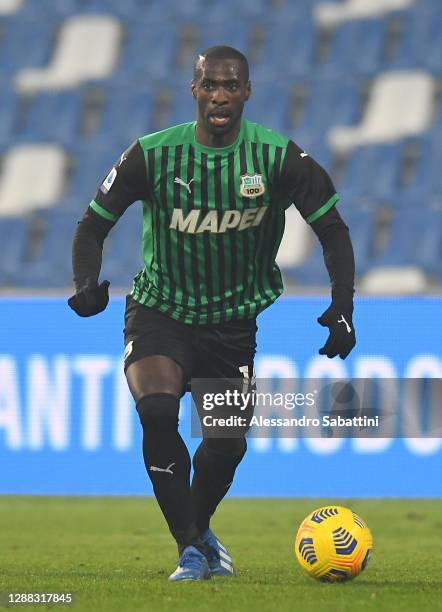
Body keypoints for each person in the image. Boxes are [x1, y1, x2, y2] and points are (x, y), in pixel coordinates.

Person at [68, 46, 356, 582]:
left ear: (246, 92)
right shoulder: (152, 155)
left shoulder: (278, 158)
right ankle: (191, 551)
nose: (220, 96)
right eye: (210, 86)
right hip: (161, 309)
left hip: (232, 323)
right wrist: (86, 284)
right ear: (193, 90)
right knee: (156, 411)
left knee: (226, 444)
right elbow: (92, 224)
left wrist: (343, 304)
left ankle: (197, 536)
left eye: (231, 86)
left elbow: (332, 229)